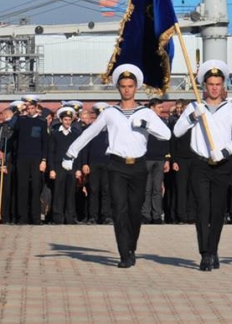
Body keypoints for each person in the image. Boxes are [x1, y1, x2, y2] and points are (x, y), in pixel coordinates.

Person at [63, 64, 171, 268]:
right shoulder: (110, 113)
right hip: (117, 166)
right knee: (120, 209)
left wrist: (145, 125)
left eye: (130, 85)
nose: (127, 89)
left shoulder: (145, 113)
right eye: (123, 86)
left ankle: (131, 246)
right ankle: (124, 253)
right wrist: (71, 152)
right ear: (118, 88)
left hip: (138, 166)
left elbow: (166, 134)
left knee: (134, 211)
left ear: (136, 87)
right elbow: (90, 133)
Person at [174, 60, 232, 271]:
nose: (214, 87)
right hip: (200, 164)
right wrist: (191, 117)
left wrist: (225, 151)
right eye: (210, 84)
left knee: (217, 211)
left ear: (223, 85)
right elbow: (177, 132)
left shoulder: (231, 109)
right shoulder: (195, 106)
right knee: (202, 209)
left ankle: (213, 249)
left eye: (218, 83)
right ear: (204, 85)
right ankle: (205, 253)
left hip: (222, 165)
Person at [12, 95, 48, 224]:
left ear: (36, 108)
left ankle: (36, 218)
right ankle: (22, 217)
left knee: (35, 188)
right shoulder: (21, 121)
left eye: (32, 108)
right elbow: (11, 127)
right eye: (28, 108)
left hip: (36, 159)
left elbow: (45, 143)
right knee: (22, 188)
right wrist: (18, 112)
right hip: (22, 158)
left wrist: (44, 160)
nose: (30, 110)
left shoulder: (42, 122)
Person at [47, 106, 81, 224]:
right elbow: (51, 153)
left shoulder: (75, 134)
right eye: (65, 119)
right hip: (58, 167)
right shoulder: (55, 134)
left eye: (69, 120)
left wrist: (78, 169)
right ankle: (58, 218)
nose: (67, 122)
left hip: (72, 167)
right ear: (61, 120)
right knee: (58, 193)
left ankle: (70, 217)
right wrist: (51, 169)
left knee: (70, 193)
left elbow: (78, 153)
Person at [142, 98, 170, 224]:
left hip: (159, 159)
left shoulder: (163, 122)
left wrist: (167, 159)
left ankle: (157, 215)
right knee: (146, 188)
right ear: (152, 108)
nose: (161, 110)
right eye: (159, 107)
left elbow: (167, 140)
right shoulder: (144, 122)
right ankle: (145, 215)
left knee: (157, 189)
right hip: (146, 158)